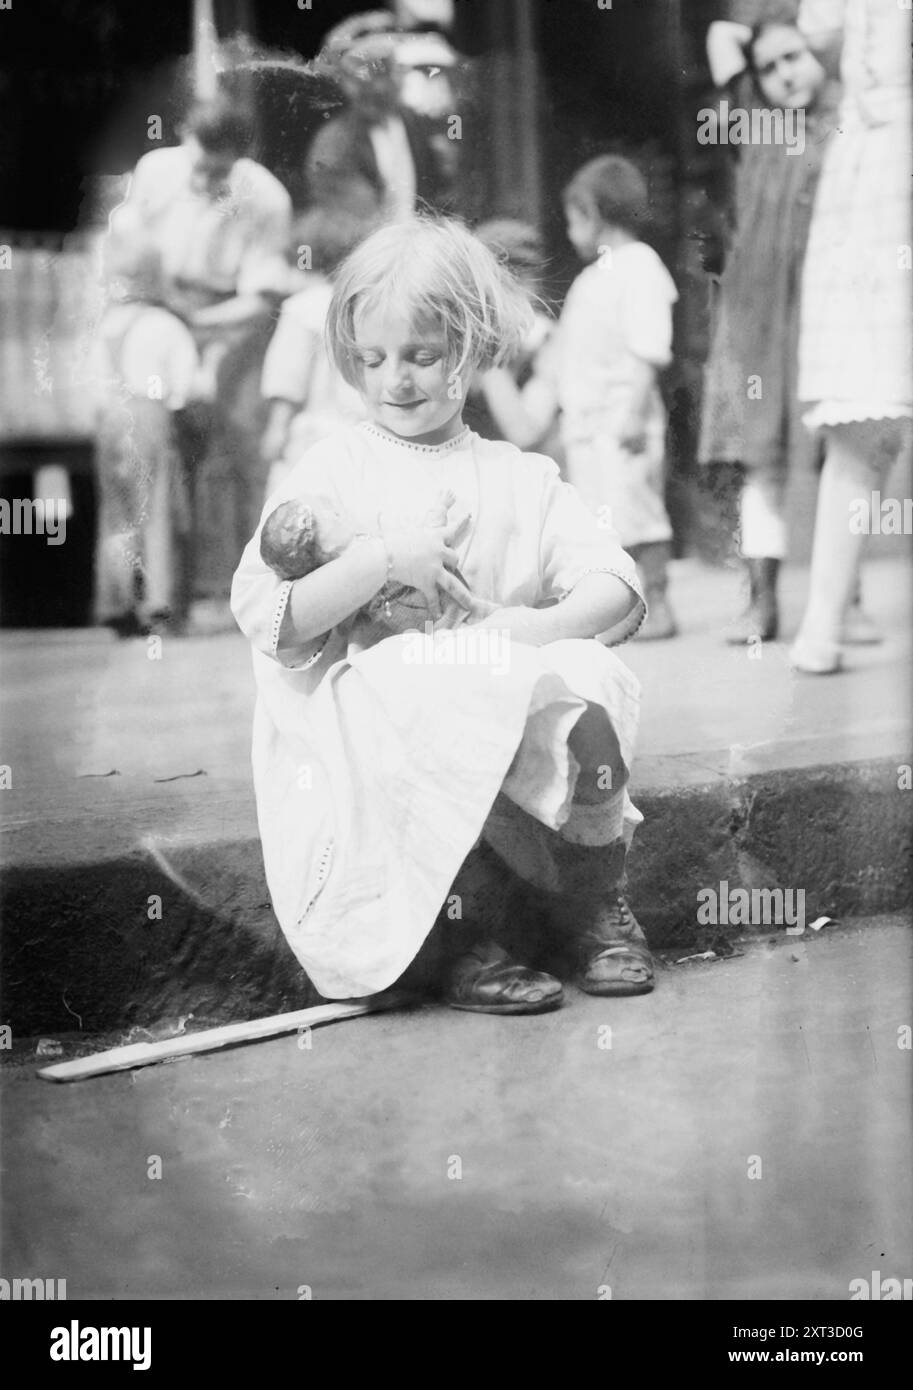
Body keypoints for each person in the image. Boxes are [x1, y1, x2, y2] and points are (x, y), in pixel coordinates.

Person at [231, 216, 653, 1015]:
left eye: (422, 356)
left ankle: (591, 899)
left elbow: (616, 584)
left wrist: (523, 629)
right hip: (387, 720)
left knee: (590, 671)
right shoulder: (334, 467)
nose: (396, 379)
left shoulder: (518, 475)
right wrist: (380, 561)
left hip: (496, 682)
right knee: (423, 680)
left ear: (474, 349)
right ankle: (461, 940)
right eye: (373, 358)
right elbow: (271, 619)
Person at [95, 97, 292, 634]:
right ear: (184, 137)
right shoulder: (157, 172)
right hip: (156, 315)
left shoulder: (266, 197)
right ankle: (151, 600)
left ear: (243, 158)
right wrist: (155, 310)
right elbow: (128, 248)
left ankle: (243, 597)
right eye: (201, 165)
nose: (207, 180)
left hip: (228, 326)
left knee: (232, 459)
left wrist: (199, 332)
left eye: (220, 171)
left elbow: (259, 298)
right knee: (148, 460)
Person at [698, 17, 841, 644]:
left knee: (844, 448)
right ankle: (762, 603)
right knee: (763, 463)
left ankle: (846, 597)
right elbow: (721, 36)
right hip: (757, 318)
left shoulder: (850, 123)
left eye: (795, 57)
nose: (785, 74)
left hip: (825, 310)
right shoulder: (755, 124)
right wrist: (771, 31)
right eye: (770, 65)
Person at [789, 0, 912, 673]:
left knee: (860, 423)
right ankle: (822, 622)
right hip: (871, 172)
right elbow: (815, 32)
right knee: (859, 416)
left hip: (876, 163)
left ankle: (822, 625)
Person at [557, 156, 680, 640]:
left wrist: (631, 414)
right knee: (601, 522)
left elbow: (648, 349)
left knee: (638, 513)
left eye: (573, 218)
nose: (570, 231)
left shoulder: (640, 266)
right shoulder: (591, 280)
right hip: (589, 426)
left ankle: (660, 604)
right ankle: (619, 610)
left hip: (623, 419)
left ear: (592, 212)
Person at [259, 208, 372, 497]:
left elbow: (288, 378)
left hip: (312, 438)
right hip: (361, 434)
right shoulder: (363, 306)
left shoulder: (303, 308)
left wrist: (276, 428)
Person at [306, 12, 454, 222]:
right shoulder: (334, 145)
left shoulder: (419, 125)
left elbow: (443, 195)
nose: (378, 87)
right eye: (361, 75)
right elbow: (356, 226)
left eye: (385, 69)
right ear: (344, 82)